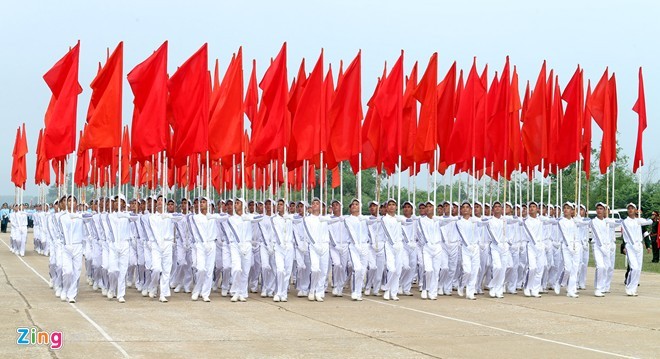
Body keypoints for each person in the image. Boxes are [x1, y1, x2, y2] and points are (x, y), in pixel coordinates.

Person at [621, 203, 652, 296]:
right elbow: (627, 235)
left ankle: (633, 289)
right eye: (629, 208)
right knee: (633, 267)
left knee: (638, 269)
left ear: (635, 210)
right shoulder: (625, 221)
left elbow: (650, 221)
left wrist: (641, 218)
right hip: (630, 246)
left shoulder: (639, 220)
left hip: (639, 246)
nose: (630, 210)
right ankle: (629, 286)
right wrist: (627, 246)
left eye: (632, 208)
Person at [590, 202, 621, 297]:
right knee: (600, 266)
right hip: (598, 246)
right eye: (598, 209)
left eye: (601, 209)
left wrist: (609, 220)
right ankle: (598, 288)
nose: (599, 210)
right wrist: (601, 246)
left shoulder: (607, 221)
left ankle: (602, 286)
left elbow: (620, 222)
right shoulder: (593, 221)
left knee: (607, 267)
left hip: (607, 247)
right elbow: (597, 235)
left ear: (605, 211)